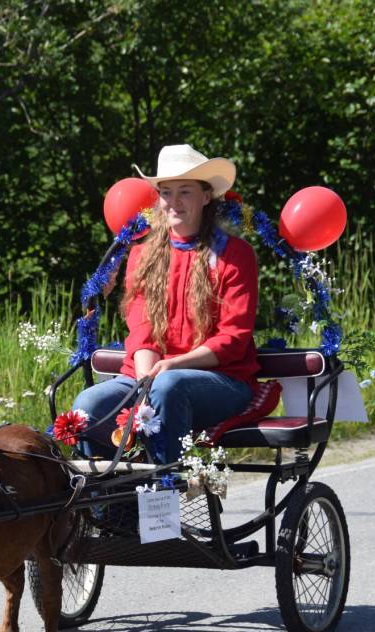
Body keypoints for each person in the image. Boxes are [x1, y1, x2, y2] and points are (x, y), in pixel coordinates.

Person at [72, 144, 260, 463]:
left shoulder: (235, 255)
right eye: (166, 192)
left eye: (185, 192)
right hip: (148, 374)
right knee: (87, 406)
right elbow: (142, 329)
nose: (174, 202)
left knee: (170, 386)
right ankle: (113, 509)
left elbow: (233, 338)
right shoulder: (142, 255)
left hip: (221, 379)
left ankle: (164, 492)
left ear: (206, 197)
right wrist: (146, 380)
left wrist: (173, 365)